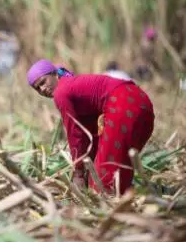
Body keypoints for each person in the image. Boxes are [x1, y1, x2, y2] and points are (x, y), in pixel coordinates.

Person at [27, 59, 155, 195]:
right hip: (140, 100)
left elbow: (75, 134)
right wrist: (89, 164)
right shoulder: (71, 85)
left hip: (123, 104)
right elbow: (89, 133)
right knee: (118, 170)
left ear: (54, 74)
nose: (42, 89)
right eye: (37, 88)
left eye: (43, 82)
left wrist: (78, 173)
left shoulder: (61, 92)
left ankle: (115, 206)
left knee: (101, 185)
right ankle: (132, 199)